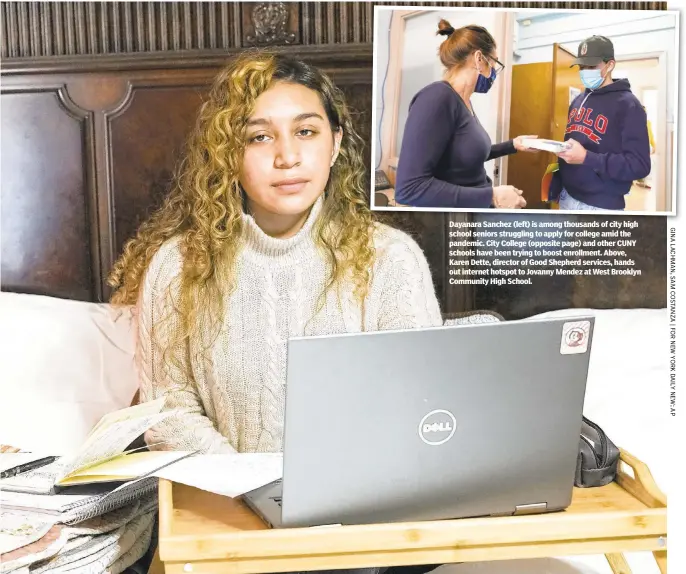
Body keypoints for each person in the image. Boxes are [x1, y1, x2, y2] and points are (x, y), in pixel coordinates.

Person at [108, 52, 442, 457]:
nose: (287, 158)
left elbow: (415, 406)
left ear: (335, 144)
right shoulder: (178, 265)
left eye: (306, 132)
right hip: (221, 500)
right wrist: (249, 489)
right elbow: (169, 411)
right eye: (259, 136)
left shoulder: (391, 258)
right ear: (227, 153)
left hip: (359, 505)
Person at [394, 19, 540, 209]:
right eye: (494, 62)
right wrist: (492, 196)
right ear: (479, 58)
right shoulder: (436, 98)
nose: (494, 71)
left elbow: (464, 156)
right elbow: (409, 189)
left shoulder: (464, 102)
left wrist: (513, 145)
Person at [553, 35, 651, 211]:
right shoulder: (577, 101)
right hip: (567, 197)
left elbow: (639, 165)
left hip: (601, 206)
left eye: (591, 66)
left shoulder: (629, 104)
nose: (584, 71)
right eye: (581, 66)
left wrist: (586, 158)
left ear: (610, 65)